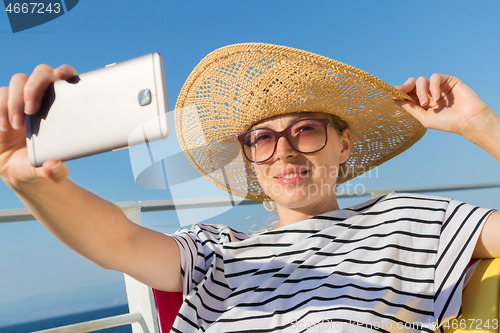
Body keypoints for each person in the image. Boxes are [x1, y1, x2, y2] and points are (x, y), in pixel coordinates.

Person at [0, 43, 499, 332]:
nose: (283, 151)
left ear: (343, 145)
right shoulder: (216, 251)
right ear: (250, 161)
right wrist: (24, 175)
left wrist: (479, 124)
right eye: (261, 138)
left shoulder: (410, 221)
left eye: (305, 129)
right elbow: (121, 242)